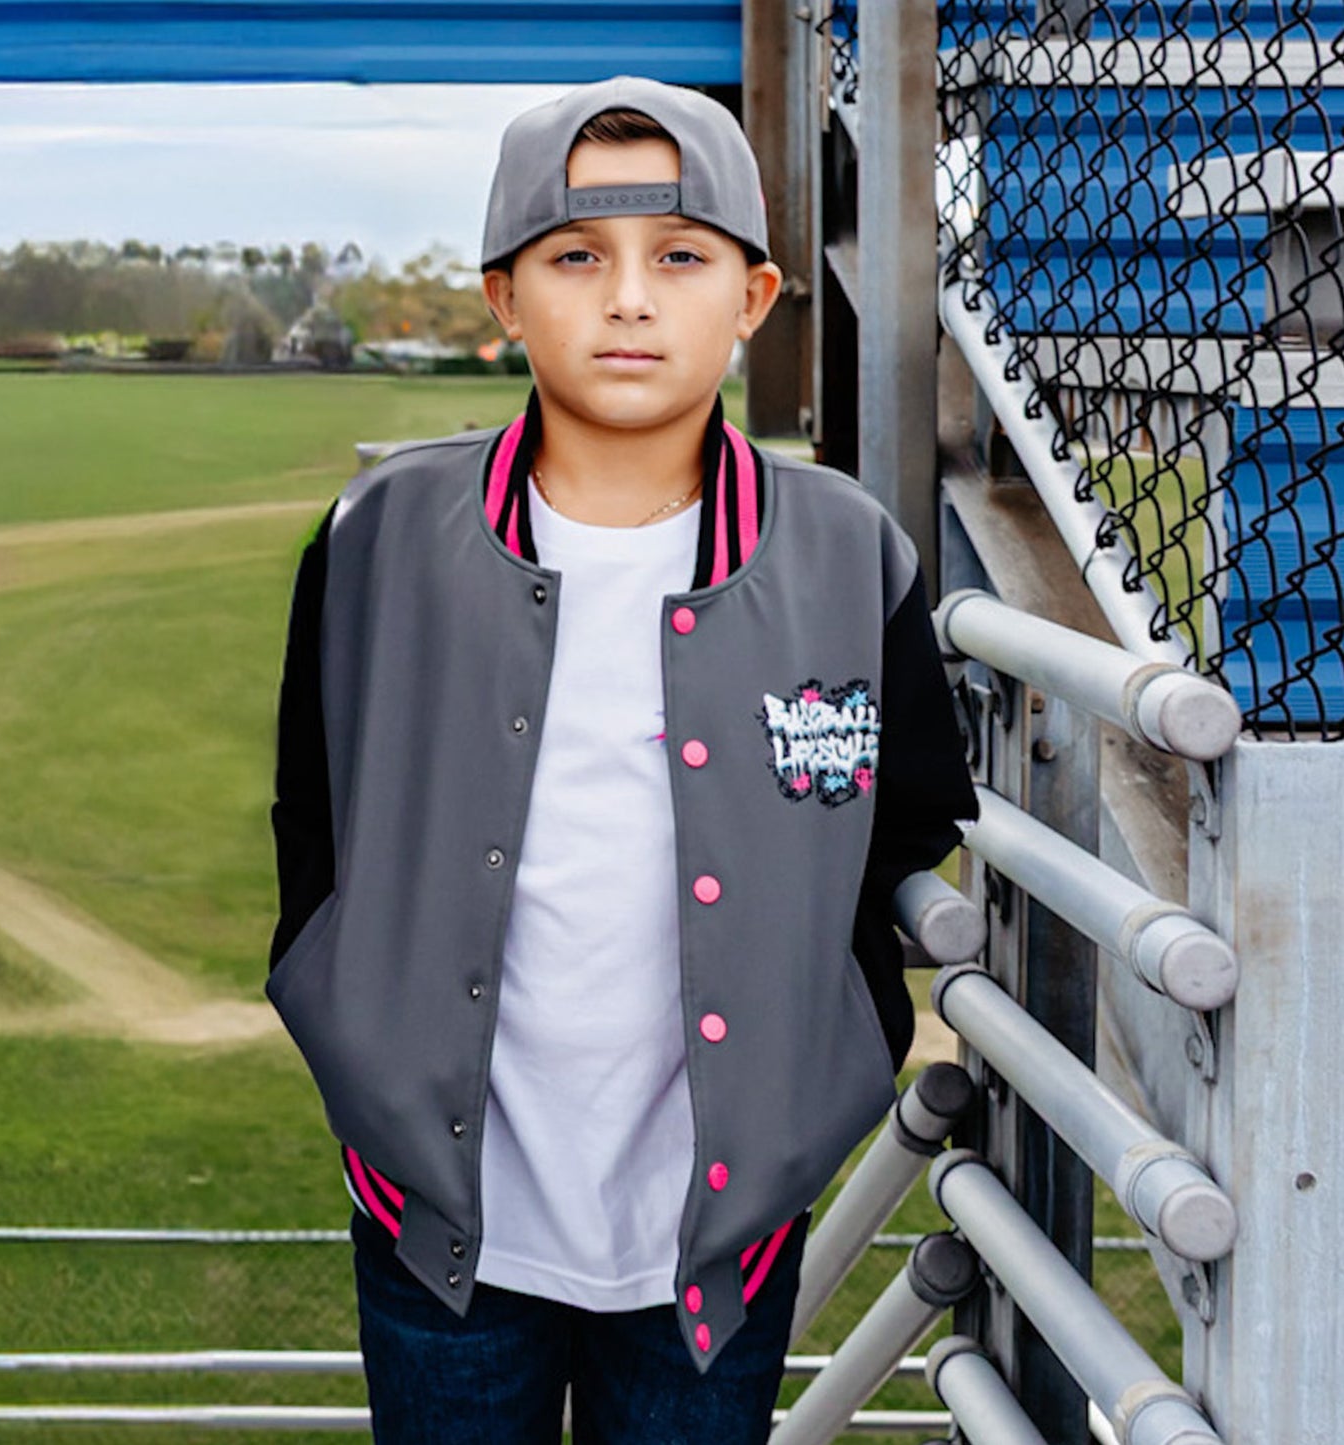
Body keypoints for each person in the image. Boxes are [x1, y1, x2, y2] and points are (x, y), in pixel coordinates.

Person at [267, 75, 978, 1445]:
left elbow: (907, 818)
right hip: (443, 1219)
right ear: (503, 299)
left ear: (755, 298)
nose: (631, 298)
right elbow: (319, 814)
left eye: (680, 257)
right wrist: (352, 1032)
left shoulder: (844, 555)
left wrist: (817, 1072)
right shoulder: (378, 537)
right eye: (577, 258)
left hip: (714, 1233)